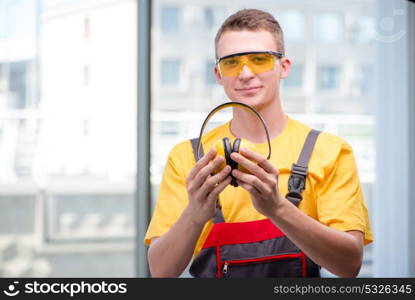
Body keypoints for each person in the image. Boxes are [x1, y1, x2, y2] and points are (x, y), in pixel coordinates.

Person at [144, 8, 373, 278]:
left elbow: (349, 266)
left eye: (259, 59)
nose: (245, 73)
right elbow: (160, 273)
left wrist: (277, 207)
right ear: (218, 74)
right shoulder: (190, 158)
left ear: (284, 67)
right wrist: (195, 213)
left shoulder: (330, 152)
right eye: (231, 63)